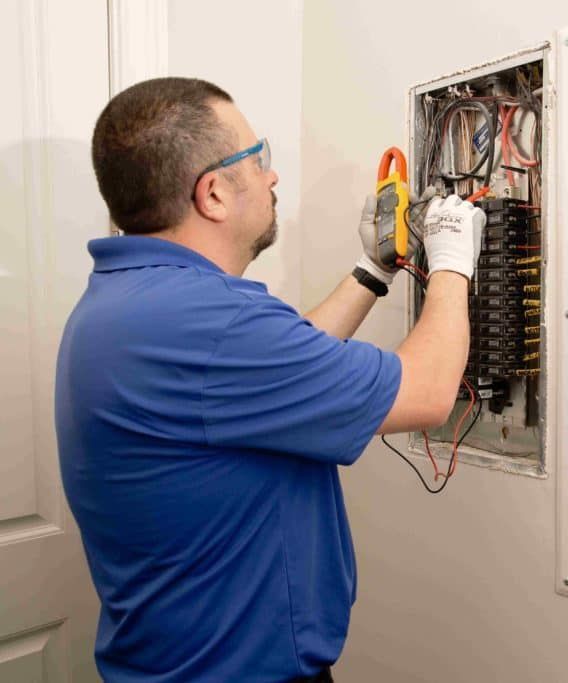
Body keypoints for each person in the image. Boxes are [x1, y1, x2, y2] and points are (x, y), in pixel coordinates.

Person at [55, 77, 483, 683]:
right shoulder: (208, 322)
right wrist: (452, 262)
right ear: (213, 194)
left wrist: (371, 269)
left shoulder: (132, 302)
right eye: (259, 161)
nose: (273, 177)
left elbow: (280, 368)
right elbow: (430, 390)